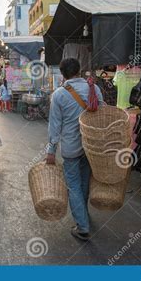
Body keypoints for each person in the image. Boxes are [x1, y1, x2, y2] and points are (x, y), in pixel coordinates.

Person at [46, 57, 103, 241]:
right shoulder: (94, 88)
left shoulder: (59, 94)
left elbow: (55, 126)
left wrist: (51, 150)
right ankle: (83, 215)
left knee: (74, 186)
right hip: (91, 146)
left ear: (62, 74)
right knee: (85, 182)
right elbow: (102, 114)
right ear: (79, 70)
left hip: (71, 148)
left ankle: (82, 225)